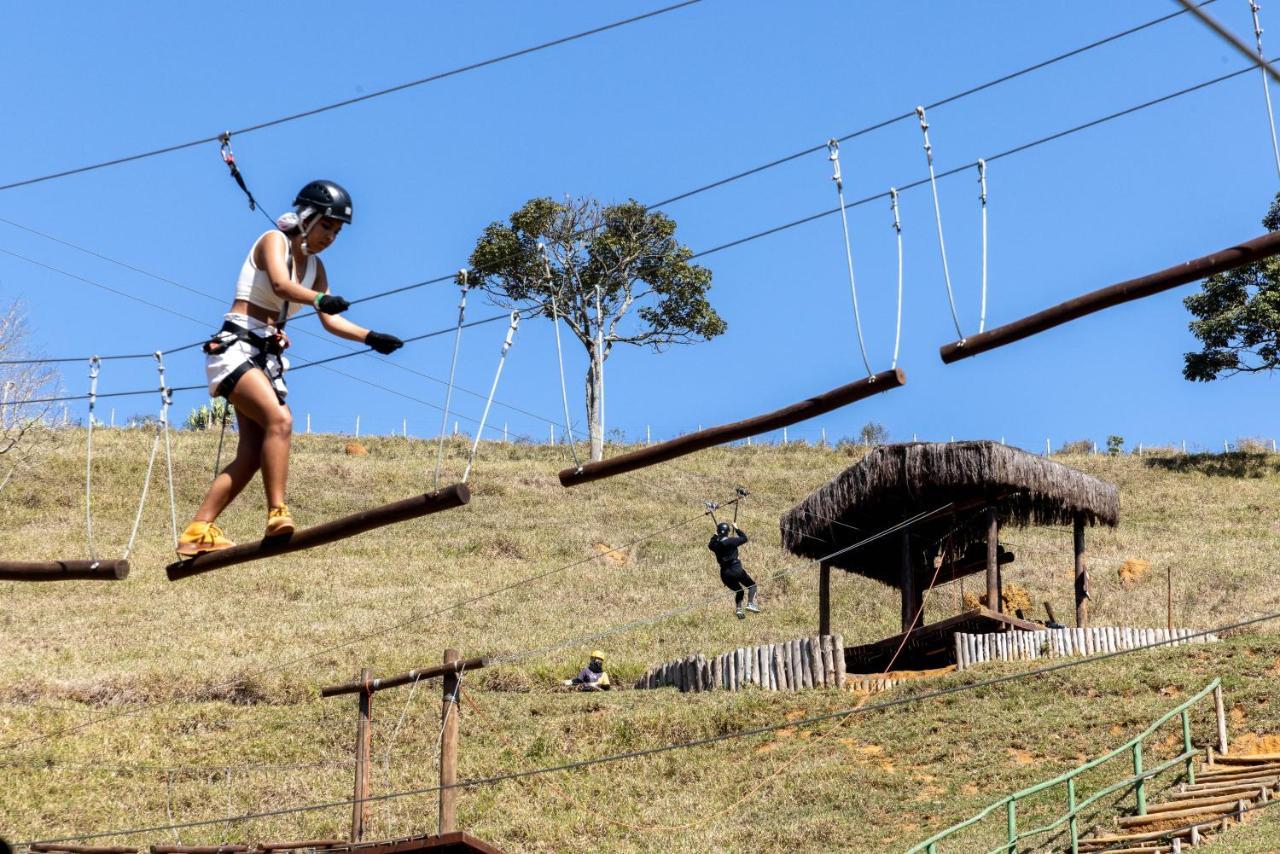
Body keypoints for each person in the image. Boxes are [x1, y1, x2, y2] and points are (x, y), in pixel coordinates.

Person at [175, 180, 405, 557]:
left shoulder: (317, 268)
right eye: (326, 225)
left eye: (337, 231)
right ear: (308, 217)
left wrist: (370, 337)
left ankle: (199, 529)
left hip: (265, 356)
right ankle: (277, 512)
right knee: (281, 421)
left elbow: (329, 320)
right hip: (236, 348)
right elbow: (282, 287)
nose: (331, 236)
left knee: (252, 453)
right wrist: (320, 298)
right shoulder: (273, 242)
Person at [709, 521, 760, 619]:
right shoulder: (732, 541)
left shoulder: (715, 546)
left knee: (739, 591)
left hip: (724, 574)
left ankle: (739, 609)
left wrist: (716, 534)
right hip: (736, 569)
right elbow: (744, 538)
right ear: (728, 531)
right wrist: (736, 528)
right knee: (752, 586)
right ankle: (750, 604)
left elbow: (710, 544)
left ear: (718, 532)